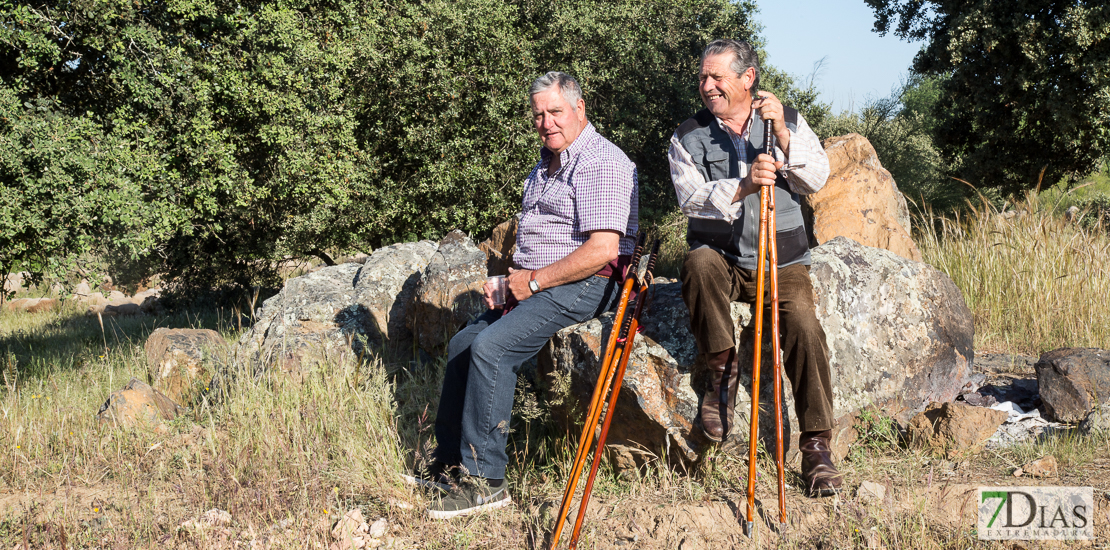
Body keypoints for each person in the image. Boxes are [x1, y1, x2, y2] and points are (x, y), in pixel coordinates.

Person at [407, 71, 639, 519]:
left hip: (589, 282)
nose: (546, 122)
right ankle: (450, 464)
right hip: (544, 279)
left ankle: (485, 482)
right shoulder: (547, 163)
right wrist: (514, 279)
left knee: (492, 349)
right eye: (539, 115)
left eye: (555, 112)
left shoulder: (601, 162)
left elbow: (602, 250)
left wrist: (532, 282)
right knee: (463, 344)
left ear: (579, 108)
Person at [668, 39, 840, 496]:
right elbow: (689, 200)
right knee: (697, 263)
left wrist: (782, 133)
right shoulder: (687, 135)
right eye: (703, 77)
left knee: (804, 323)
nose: (707, 86)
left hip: (781, 261)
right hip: (723, 257)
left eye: (716, 77)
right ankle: (722, 375)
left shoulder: (786, 121)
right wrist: (743, 184)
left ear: (748, 78)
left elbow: (816, 178)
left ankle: (817, 446)